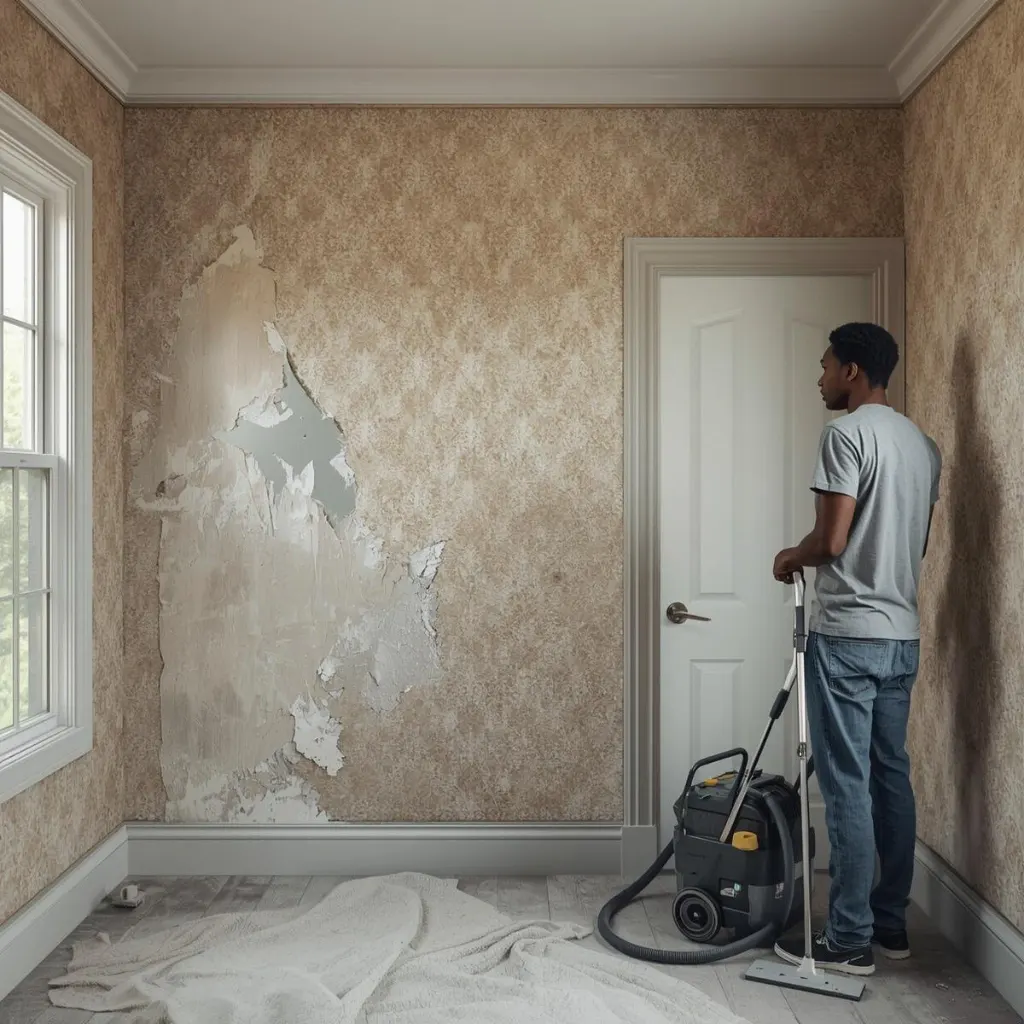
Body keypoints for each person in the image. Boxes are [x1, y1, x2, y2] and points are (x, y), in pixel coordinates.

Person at [770, 321, 941, 977]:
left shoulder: (844, 435)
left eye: (824, 366)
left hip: (847, 637)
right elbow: (916, 546)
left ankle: (847, 939)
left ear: (851, 371)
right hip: (902, 636)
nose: (818, 378)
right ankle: (890, 925)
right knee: (890, 777)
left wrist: (789, 556)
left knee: (846, 784)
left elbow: (832, 541)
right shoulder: (924, 447)